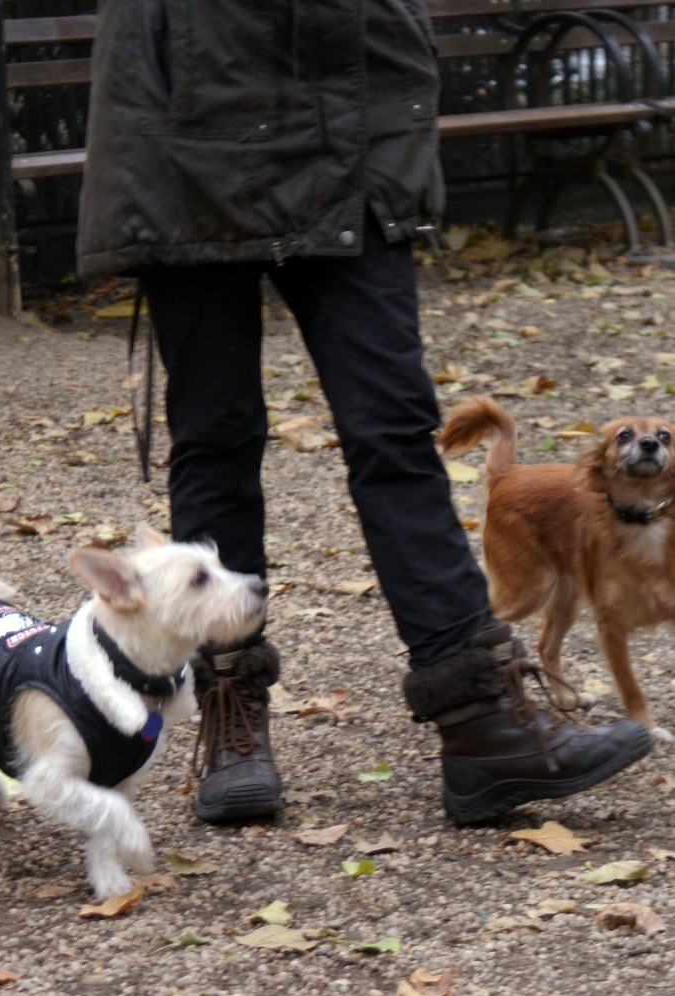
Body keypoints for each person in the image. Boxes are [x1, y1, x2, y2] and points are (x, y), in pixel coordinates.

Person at [75, 0, 652, 824]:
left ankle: (485, 724)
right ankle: (233, 715)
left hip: (352, 115)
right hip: (187, 122)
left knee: (393, 430)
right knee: (216, 432)